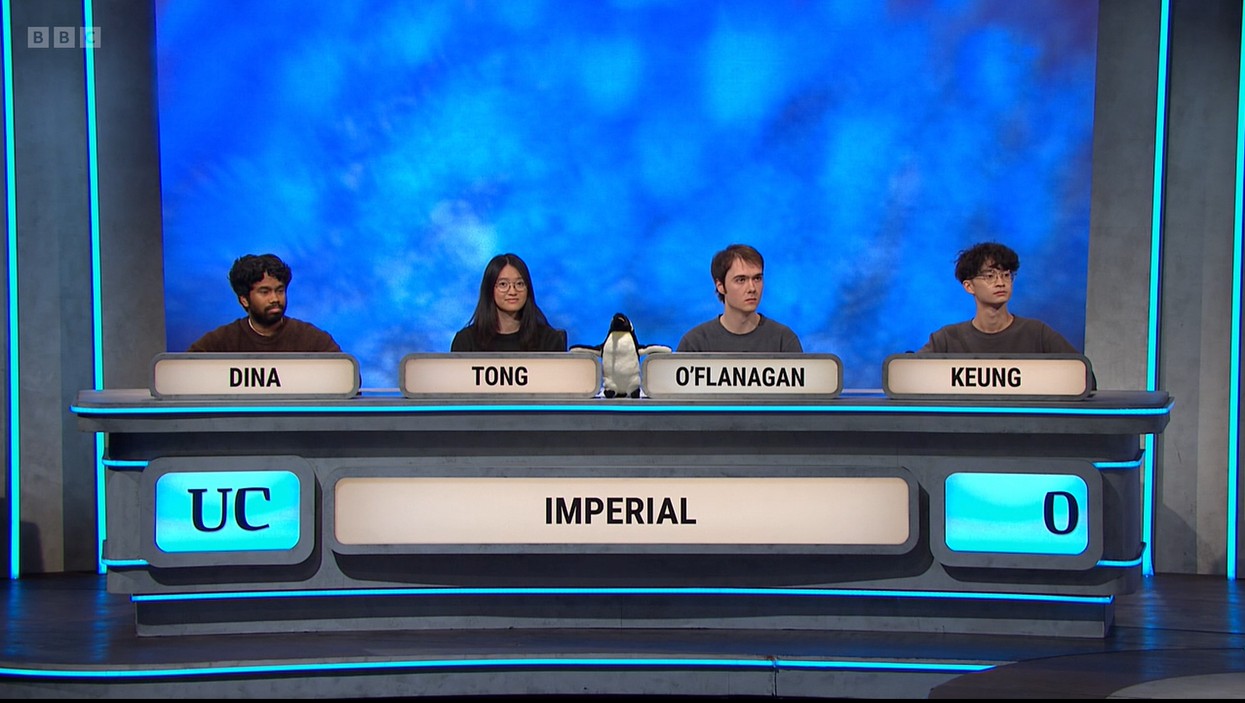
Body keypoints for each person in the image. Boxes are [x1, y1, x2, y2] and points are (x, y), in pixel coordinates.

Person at [918, 241, 1080, 354]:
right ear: (969, 286)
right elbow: (910, 374)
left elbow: (1082, 376)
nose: (1001, 283)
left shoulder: (1037, 334)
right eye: (990, 276)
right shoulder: (947, 340)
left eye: (1006, 275)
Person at [188, 253, 342, 353]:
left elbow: (345, 379)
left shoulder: (314, 340)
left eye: (280, 290)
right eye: (265, 292)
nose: (275, 299)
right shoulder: (221, 342)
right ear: (244, 299)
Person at [676, 243, 802, 352]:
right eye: (741, 280)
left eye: (757, 278)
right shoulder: (695, 344)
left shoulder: (783, 341)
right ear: (720, 286)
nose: (752, 288)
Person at [451, 253, 567, 352]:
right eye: (503, 284)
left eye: (519, 284)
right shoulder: (466, 342)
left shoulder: (549, 340)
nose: (512, 291)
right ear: (489, 289)